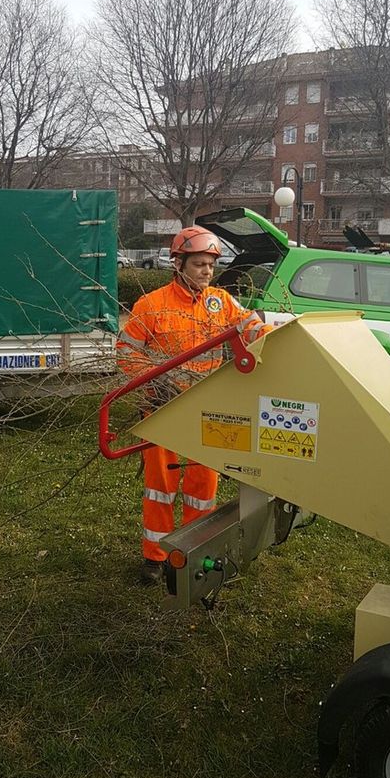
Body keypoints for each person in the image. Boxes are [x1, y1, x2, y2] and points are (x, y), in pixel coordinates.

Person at [117, 225, 270, 585]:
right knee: (160, 487)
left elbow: (252, 329)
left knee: (203, 486)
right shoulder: (151, 305)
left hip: (205, 409)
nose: (206, 271)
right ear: (179, 264)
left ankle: (195, 549)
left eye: (210, 265)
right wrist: (157, 382)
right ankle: (155, 557)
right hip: (162, 409)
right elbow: (126, 353)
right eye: (199, 264)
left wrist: (276, 333)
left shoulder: (221, 302)